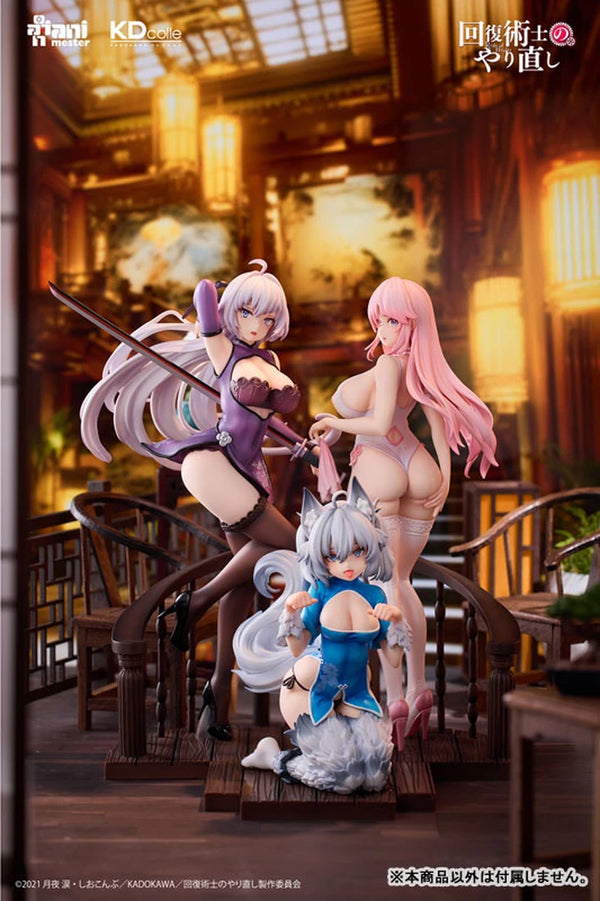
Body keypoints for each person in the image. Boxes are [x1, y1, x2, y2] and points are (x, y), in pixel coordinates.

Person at [80, 259, 319, 739]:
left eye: (267, 317)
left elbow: (266, 420)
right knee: (296, 543)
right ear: (233, 313)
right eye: (248, 313)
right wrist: (237, 287)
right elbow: (205, 291)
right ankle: (197, 601)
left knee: (245, 582)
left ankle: (217, 695)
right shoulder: (222, 350)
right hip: (214, 464)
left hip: (251, 474)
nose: (257, 325)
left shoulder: (269, 363)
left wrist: (302, 444)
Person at [309, 277, 498, 746]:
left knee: (384, 585)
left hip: (379, 461)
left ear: (413, 324)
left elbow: (376, 424)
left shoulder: (391, 363)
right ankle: (419, 689)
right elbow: (436, 425)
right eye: (382, 320)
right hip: (419, 464)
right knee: (402, 581)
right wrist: (446, 478)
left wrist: (334, 421)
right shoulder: (422, 365)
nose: (385, 329)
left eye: (394, 320)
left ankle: (393, 699)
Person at [234, 479, 412, 793]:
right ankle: (274, 758)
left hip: (357, 695)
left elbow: (394, 660)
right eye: (334, 556)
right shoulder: (320, 592)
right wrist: (291, 611)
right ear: (321, 556)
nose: (348, 564)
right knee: (345, 776)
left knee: (374, 775)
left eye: (357, 552)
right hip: (314, 691)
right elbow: (297, 647)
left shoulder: (374, 595)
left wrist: (397, 620)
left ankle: (289, 758)